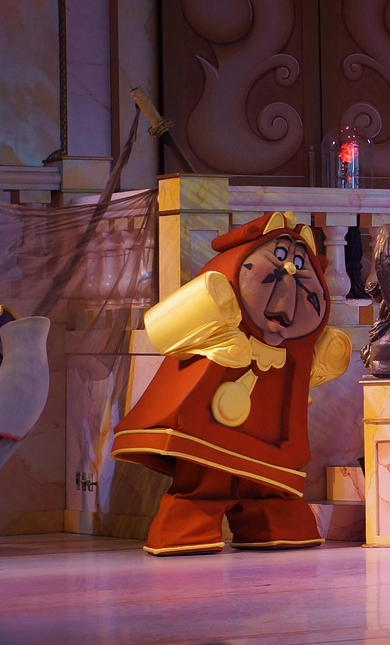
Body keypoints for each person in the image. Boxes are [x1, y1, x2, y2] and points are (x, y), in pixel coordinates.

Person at [113, 211, 352, 555]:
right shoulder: (220, 310)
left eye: (300, 263)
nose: (290, 268)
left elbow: (309, 367)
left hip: (271, 424)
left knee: (269, 483)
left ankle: (274, 526)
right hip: (213, 418)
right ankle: (187, 531)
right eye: (281, 256)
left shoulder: (295, 350)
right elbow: (167, 330)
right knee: (208, 476)